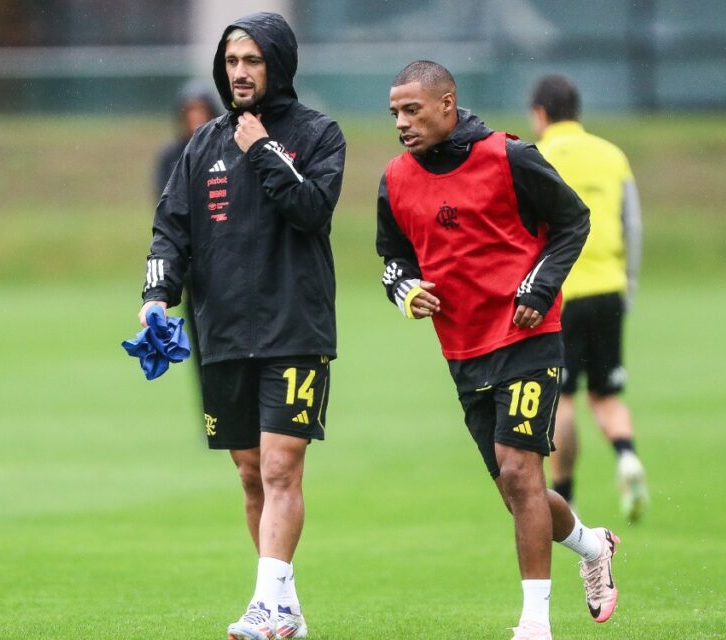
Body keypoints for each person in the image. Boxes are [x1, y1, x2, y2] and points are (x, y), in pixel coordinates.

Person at [377, 60, 621, 640]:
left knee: (520, 470)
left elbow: (573, 222)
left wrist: (539, 287)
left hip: (528, 339)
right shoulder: (393, 178)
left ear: (447, 103)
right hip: (462, 350)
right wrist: (405, 290)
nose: (403, 123)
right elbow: (392, 259)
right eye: (394, 114)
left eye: (413, 110)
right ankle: (592, 544)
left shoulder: (509, 157)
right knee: (517, 492)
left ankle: (534, 624)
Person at [137, 12, 346, 640]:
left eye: (252, 60)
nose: (239, 73)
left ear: (277, 63)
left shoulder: (318, 134)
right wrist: (156, 297)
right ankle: (285, 607)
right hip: (222, 334)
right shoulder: (202, 146)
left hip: (295, 328)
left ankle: (266, 607)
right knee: (252, 474)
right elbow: (171, 228)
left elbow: (312, 210)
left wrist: (262, 150)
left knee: (282, 468)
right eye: (231, 62)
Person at [529, 75, 648, 522]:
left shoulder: (537, 157)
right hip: (610, 288)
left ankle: (566, 495)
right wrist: (628, 285)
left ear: (540, 113)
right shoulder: (611, 154)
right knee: (606, 392)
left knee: (563, 397)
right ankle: (627, 457)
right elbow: (631, 224)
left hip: (561, 294)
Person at [153, 80, 222, 198]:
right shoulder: (170, 156)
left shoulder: (224, 151)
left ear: (211, 113)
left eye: (201, 109)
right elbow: (163, 199)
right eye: (191, 110)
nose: (196, 116)